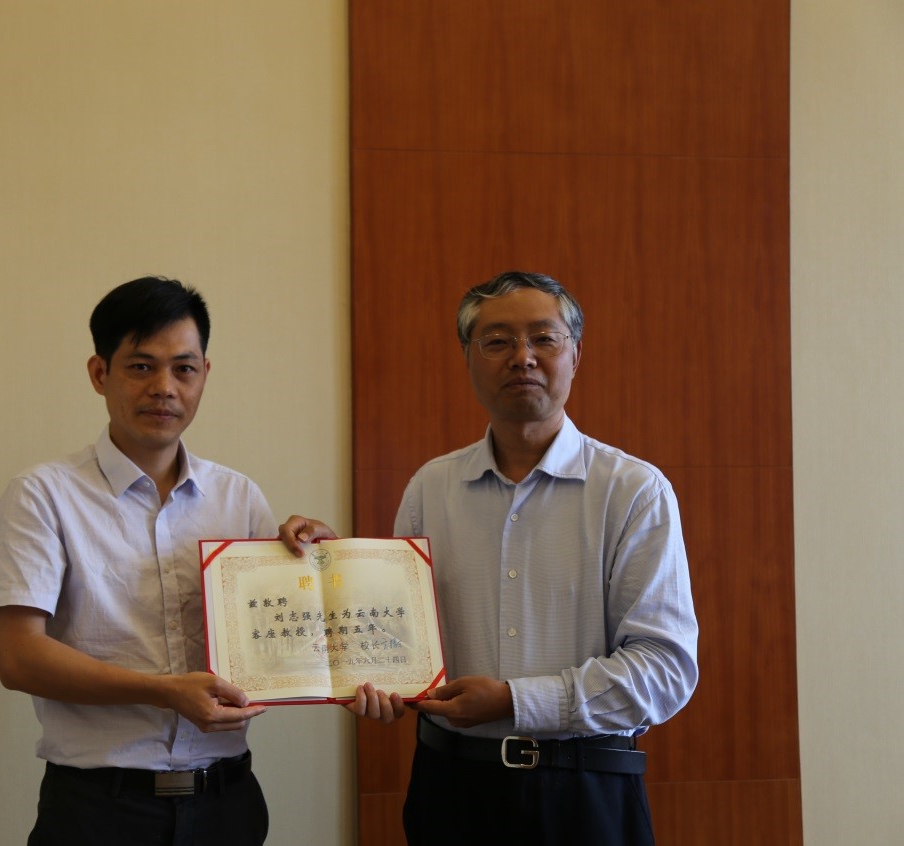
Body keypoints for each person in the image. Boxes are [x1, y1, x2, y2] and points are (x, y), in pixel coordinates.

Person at [280, 271, 698, 845]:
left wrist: (515, 701)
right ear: (468, 359)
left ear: (576, 354)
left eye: (544, 339)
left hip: (584, 793)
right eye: (498, 341)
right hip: (451, 789)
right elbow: (397, 642)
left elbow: (665, 670)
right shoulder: (430, 488)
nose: (522, 357)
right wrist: (332, 571)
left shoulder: (633, 492)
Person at [0, 276, 276, 846]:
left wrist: (315, 562)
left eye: (184, 369)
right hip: (99, 811)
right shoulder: (43, 494)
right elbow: (18, 658)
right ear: (100, 373)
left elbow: (281, 641)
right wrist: (165, 690)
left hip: (227, 803)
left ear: (204, 374)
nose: (164, 388)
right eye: (141, 367)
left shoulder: (239, 498)